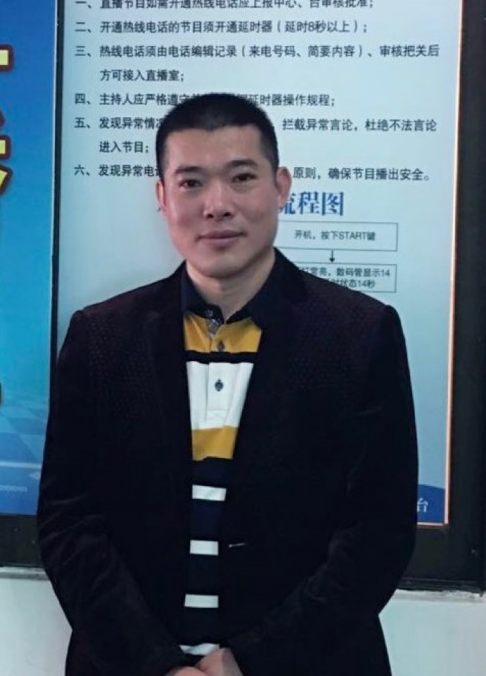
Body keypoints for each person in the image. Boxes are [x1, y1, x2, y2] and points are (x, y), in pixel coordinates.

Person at [38, 93, 418, 676]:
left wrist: (251, 662)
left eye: (241, 177)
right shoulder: (103, 338)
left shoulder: (360, 335)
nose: (217, 205)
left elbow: (378, 531)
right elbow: (68, 522)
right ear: (161, 197)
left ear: (280, 186)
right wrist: (154, 663)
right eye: (191, 183)